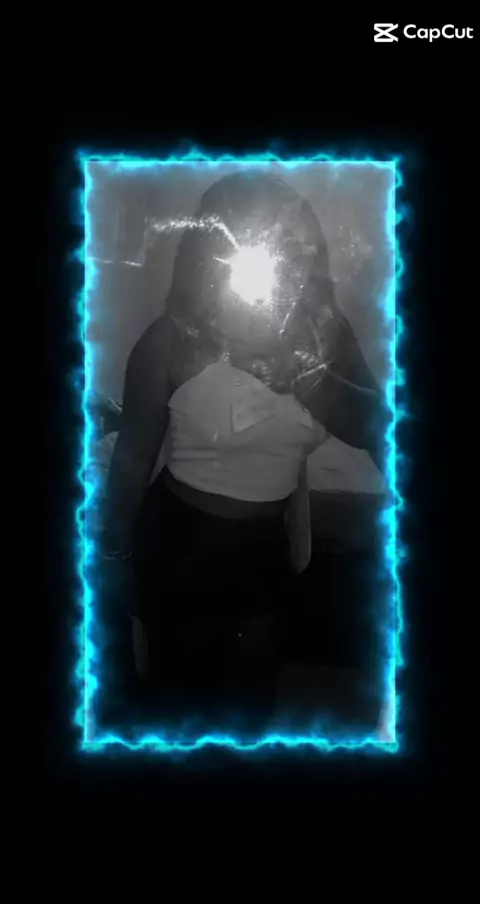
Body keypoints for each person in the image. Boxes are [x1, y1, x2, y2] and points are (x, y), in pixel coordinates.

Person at [100, 171, 389, 735]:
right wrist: (113, 558)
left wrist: (308, 377)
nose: (286, 258)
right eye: (261, 241)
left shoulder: (328, 337)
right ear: (213, 253)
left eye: (296, 244)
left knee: (251, 713)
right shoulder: (170, 339)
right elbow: (132, 457)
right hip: (179, 543)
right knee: (177, 710)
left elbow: (381, 432)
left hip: (264, 552)